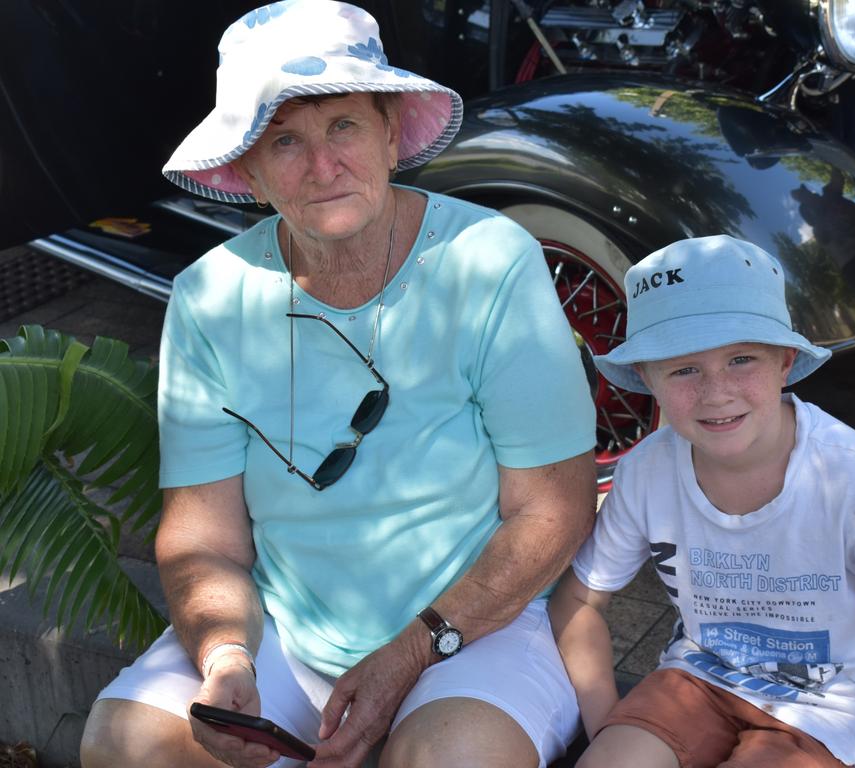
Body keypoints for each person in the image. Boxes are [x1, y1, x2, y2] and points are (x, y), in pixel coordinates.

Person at [79, 3, 597, 768]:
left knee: (451, 758)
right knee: (127, 746)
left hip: (472, 626)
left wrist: (413, 653)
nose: (322, 168)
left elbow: (554, 507)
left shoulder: (489, 260)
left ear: (391, 132)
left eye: (344, 127)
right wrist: (226, 656)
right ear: (248, 169)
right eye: (285, 140)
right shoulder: (211, 296)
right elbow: (204, 536)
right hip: (285, 629)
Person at [549, 236, 855, 768]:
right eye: (683, 369)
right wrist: (605, 728)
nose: (716, 391)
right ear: (647, 377)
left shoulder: (853, 479)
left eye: (741, 358)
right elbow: (578, 600)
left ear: (784, 362)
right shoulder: (647, 470)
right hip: (703, 677)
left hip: (835, 709)